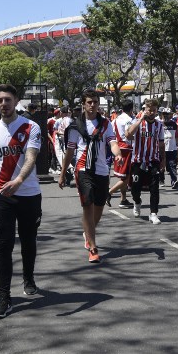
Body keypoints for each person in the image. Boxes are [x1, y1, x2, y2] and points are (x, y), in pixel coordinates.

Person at [0, 85, 42, 319]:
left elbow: (31, 157)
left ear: (16, 101)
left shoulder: (31, 127)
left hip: (28, 193)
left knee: (28, 241)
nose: (4, 104)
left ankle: (28, 277)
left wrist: (18, 180)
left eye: (8, 99)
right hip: (1, 195)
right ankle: (4, 297)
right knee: (3, 245)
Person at [58, 89, 122, 263]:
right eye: (89, 102)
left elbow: (113, 142)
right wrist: (63, 174)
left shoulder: (106, 123)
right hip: (83, 170)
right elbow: (70, 151)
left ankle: (87, 232)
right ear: (84, 104)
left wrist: (118, 154)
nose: (92, 105)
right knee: (88, 205)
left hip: (102, 170)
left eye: (95, 101)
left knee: (99, 207)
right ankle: (93, 247)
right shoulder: (75, 126)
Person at [125, 98, 166, 224]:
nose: (152, 113)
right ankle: (137, 202)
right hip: (138, 160)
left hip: (153, 160)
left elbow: (161, 144)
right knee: (135, 187)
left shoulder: (159, 125)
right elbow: (128, 134)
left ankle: (153, 213)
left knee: (154, 188)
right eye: (149, 110)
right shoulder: (136, 122)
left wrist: (163, 160)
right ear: (145, 110)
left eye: (154, 110)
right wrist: (140, 119)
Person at [108, 99, 134, 208]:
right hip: (127, 148)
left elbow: (112, 134)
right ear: (132, 108)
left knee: (123, 176)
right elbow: (129, 134)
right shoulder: (129, 119)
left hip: (118, 147)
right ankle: (109, 193)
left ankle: (123, 199)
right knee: (127, 177)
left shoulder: (116, 119)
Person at [161, 108, 178, 189]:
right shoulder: (159, 124)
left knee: (172, 165)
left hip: (172, 148)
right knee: (161, 166)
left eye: (168, 114)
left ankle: (174, 181)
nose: (166, 116)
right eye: (164, 114)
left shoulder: (174, 124)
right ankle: (161, 179)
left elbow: (177, 137)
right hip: (161, 149)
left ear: (171, 115)